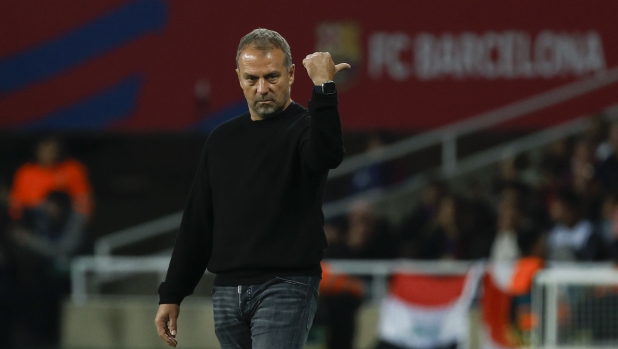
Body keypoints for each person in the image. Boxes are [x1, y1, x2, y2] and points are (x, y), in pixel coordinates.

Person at [154, 28, 349, 349]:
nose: (261, 88)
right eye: (251, 79)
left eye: (272, 77)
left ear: (291, 74)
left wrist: (324, 89)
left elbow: (329, 154)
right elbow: (198, 222)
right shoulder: (221, 139)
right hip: (227, 290)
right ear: (238, 77)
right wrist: (172, 293)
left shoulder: (305, 128)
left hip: (286, 285)